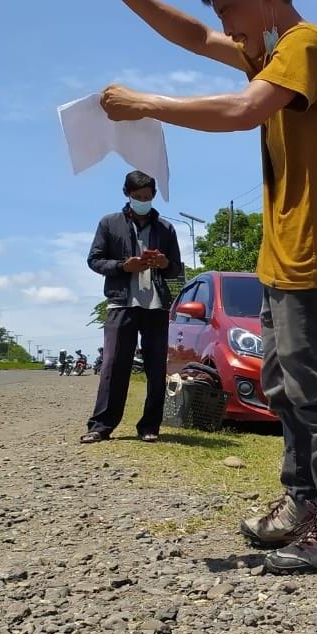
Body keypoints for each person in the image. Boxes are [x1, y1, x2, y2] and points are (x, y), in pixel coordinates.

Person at [65, 0, 317, 572]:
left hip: (314, 251)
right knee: (284, 386)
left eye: (231, 9)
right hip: (283, 255)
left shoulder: (307, 47)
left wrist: (148, 104)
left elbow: (243, 111)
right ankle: (300, 499)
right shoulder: (273, 52)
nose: (227, 26)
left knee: (316, 391)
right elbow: (197, 37)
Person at [83, 171, 184, 444]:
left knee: (155, 368)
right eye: (138, 197)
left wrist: (164, 264)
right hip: (121, 302)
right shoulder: (109, 223)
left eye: (148, 197)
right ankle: (101, 426)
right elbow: (94, 260)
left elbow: (177, 268)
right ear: (126, 194)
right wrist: (122, 266)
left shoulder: (166, 228)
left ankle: (150, 426)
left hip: (156, 305)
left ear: (153, 196)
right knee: (114, 365)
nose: (143, 201)